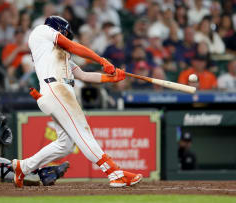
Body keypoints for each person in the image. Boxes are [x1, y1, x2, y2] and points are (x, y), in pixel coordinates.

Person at [12, 16, 142, 188]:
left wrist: (111, 78)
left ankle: (24, 167)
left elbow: (83, 75)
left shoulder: (57, 53)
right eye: (65, 33)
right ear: (59, 28)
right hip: (56, 88)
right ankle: (114, 173)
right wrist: (102, 60)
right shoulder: (41, 31)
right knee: (82, 131)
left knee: (65, 145)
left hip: (61, 91)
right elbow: (73, 46)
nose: (66, 36)